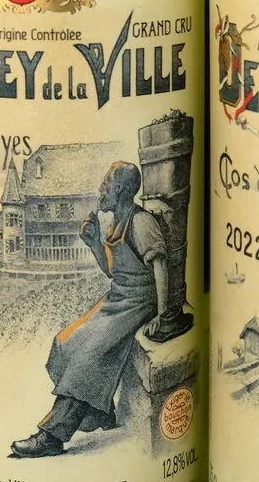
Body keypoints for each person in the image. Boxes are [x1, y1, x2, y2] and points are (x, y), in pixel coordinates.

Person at [10, 160, 168, 458]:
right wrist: (95, 243)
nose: (101, 190)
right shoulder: (115, 223)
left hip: (137, 304)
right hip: (117, 299)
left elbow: (160, 264)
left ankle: (52, 435)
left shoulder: (141, 222)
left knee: (87, 359)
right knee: (66, 342)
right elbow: (112, 271)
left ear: (121, 189)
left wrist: (162, 314)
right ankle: (100, 412)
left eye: (106, 184)